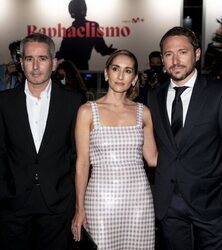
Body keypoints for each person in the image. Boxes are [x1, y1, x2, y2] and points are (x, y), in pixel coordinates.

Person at [147, 26, 222, 250]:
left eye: (182, 52)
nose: (175, 60)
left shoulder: (221, 94)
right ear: (162, 59)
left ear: (197, 54)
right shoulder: (154, 96)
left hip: (212, 204)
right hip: (168, 206)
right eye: (168, 54)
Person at [0, 33, 82, 250]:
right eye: (29, 59)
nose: (35, 66)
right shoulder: (4, 102)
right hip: (13, 201)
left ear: (54, 63)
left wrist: (75, 201)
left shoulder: (73, 103)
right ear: (21, 63)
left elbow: (77, 155)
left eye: (42, 59)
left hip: (57, 202)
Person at [71, 49, 158, 249]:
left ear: (134, 79)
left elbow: (153, 158)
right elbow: (82, 164)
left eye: (128, 71)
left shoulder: (143, 112)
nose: (120, 76)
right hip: (100, 200)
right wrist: (79, 207)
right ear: (106, 73)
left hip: (138, 199)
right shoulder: (87, 111)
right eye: (115, 69)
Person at [56, 0, 117, 70]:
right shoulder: (92, 26)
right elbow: (101, 48)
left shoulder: (68, 31)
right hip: (81, 66)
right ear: (84, 9)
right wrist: (108, 51)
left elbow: (62, 53)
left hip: (69, 68)